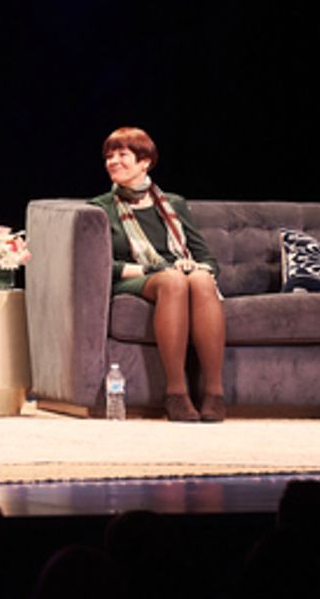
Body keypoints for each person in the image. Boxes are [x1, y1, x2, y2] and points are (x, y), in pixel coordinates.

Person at [89, 127, 225, 422]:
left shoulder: (173, 204)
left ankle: (214, 393)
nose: (113, 161)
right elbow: (100, 265)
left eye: (122, 155)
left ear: (144, 162)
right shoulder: (100, 209)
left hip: (177, 274)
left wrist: (196, 267)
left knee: (201, 279)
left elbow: (207, 258)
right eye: (109, 156)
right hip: (133, 279)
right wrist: (154, 269)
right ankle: (176, 393)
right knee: (172, 280)